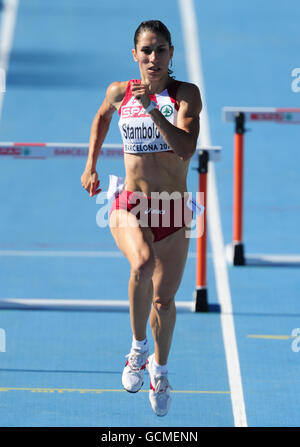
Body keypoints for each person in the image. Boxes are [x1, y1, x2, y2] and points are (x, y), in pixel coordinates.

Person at [81, 20, 202, 417]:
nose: (153, 58)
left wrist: (153, 109)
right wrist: (91, 165)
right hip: (129, 202)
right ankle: (137, 351)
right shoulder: (119, 93)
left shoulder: (185, 95)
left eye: (161, 50)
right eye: (146, 50)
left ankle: (160, 372)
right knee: (142, 265)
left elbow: (185, 148)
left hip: (172, 208)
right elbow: (101, 118)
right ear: (135, 55)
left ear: (171, 55)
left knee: (165, 302)